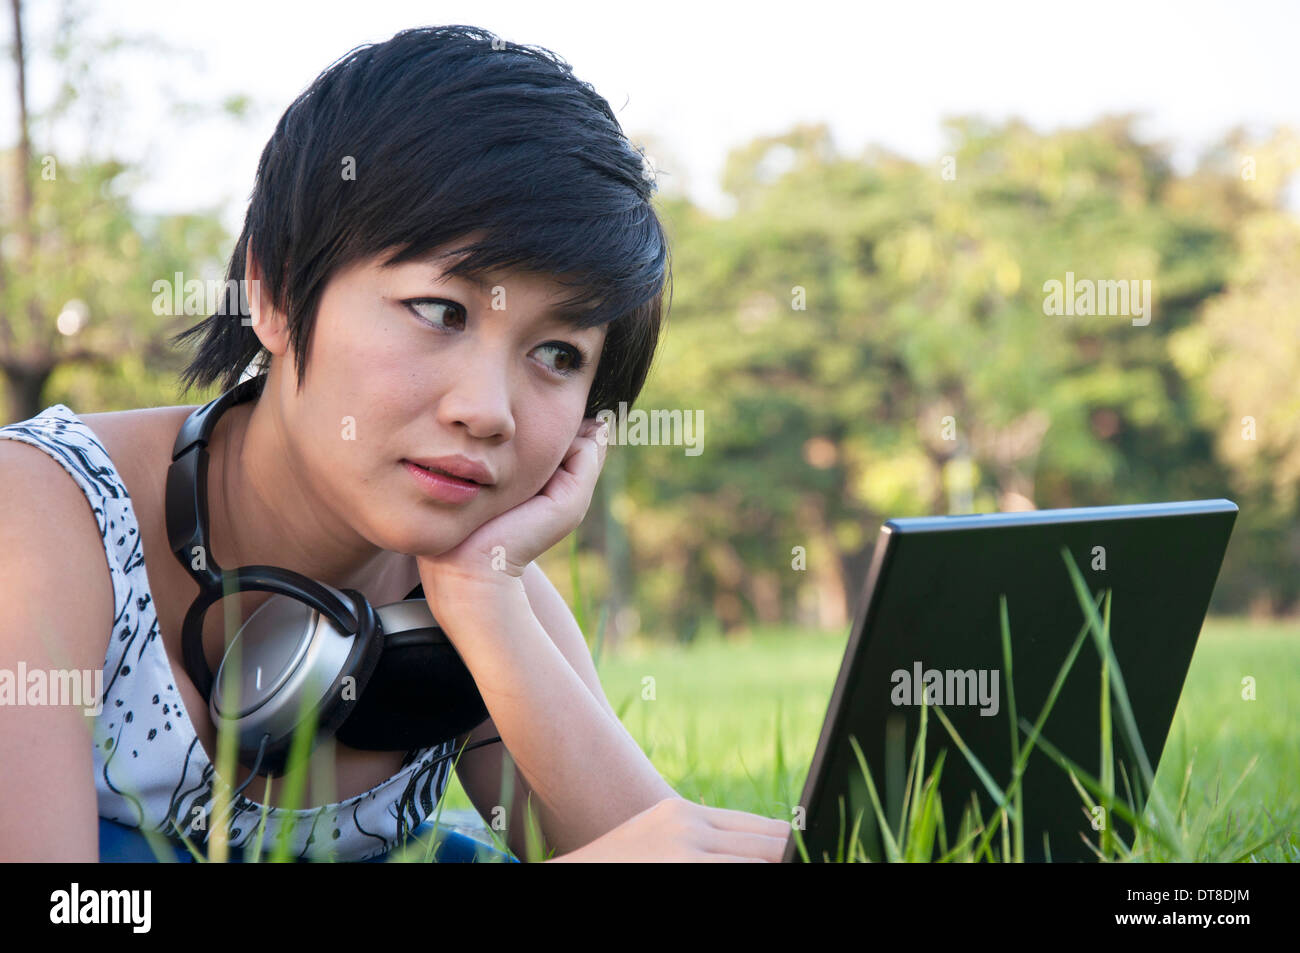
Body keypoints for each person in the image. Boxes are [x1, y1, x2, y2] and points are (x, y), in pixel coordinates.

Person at [0, 24, 790, 862]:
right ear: (270, 293)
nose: (489, 412)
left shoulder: (478, 583)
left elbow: (663, 850)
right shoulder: (41, 516)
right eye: (440, 312)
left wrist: (486, 603)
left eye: (558, 355)